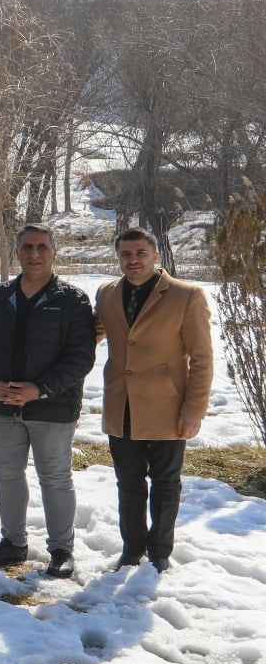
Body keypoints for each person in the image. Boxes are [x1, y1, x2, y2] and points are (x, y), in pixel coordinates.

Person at [0, 224, 96, 578]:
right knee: (6, 474)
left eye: (41, 247)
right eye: (26, 247)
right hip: (0, 405)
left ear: (54, 252)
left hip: (52, 407)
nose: (33, 253)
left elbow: (81, 357)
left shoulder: (72, 300)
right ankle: (13, 542)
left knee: (54, 477)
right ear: (17, 251)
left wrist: (40, 389)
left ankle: (61, 549)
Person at [96, 226, 214, 573]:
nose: (133, 260)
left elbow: (202, 358)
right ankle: (132, 549)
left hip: (168, 407)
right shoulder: (106, 293)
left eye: (140, 253)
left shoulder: (186, 295)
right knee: (128, 483)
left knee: (165, 482)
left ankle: (160, 551)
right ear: (118, 258)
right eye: (126, 254)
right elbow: (91, 335)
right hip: (121, 406)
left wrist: (194, 411)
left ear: (155, 256)